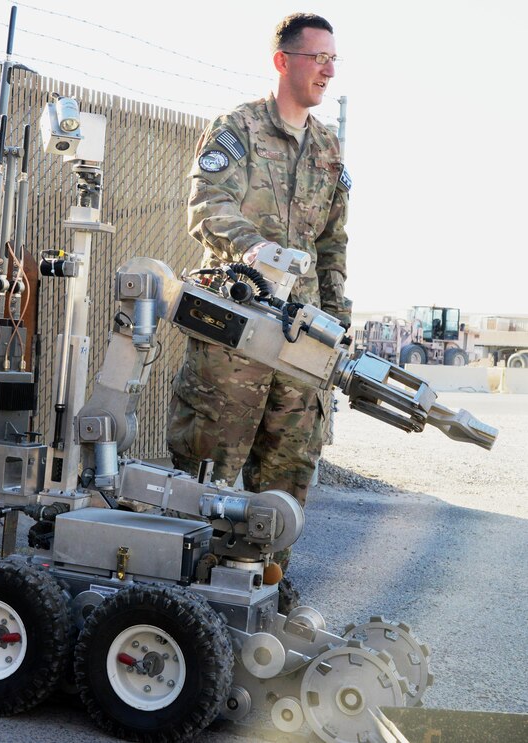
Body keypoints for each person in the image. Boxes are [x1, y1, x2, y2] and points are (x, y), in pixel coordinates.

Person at [166, 12, 351, 612]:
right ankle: (190, 599)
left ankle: (265, 595)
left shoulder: (328, 149)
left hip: (302, 341)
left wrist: (338, 319)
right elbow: (207, 205)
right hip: (236, 335)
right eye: (315, 57)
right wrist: (256, 250)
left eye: (332, 59)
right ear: (283, 61)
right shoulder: (237, 129)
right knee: (209, 464)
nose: (325, 68)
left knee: (289, 471)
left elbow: (332, 243)